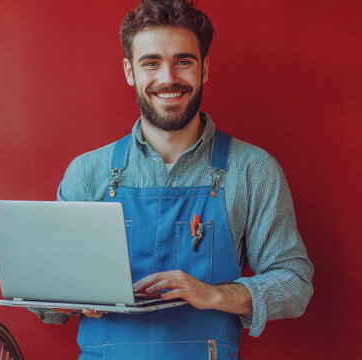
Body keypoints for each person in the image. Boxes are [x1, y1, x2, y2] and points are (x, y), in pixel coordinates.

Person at [31, 0, 314, 358]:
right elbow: (44, 304)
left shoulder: (251, 169)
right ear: (129, 71)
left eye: (183, 61)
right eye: (151, 62)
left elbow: (295, 284)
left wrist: (212, 294)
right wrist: (70, 298)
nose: (168, 78)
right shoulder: (88, 173)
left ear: (204, 68)